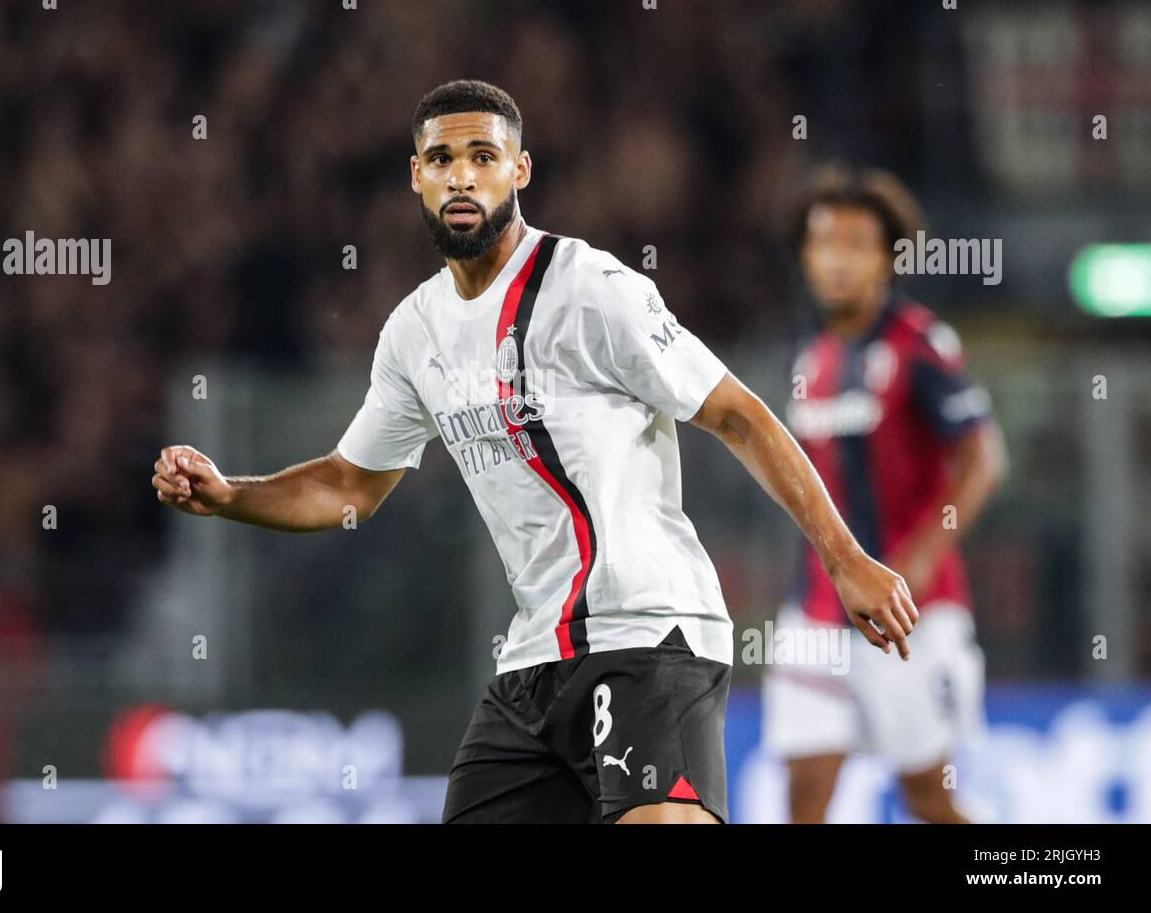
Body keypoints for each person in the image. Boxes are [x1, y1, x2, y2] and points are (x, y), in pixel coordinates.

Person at [151, 81, 916, 824]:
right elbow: (349, 484)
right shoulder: (415, 332)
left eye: (484, 156)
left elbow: (740, 416)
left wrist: (844, 557)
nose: (463, 175)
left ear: (519, 170)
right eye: (443, 159)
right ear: (416, 177)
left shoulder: (592, 289)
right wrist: (229, 495)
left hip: (650, 634)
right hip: (532, 663)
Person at [762, 164, 1007, 823]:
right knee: (804, 796)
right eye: (824, 243)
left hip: (911, 616)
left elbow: (982, 456)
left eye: (856, 244)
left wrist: (923, 554)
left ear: (887, 258)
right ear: (805, 255)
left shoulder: (919, 343)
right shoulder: (807, 353)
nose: (838, 260)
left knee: (928, 798)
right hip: (816, 614)